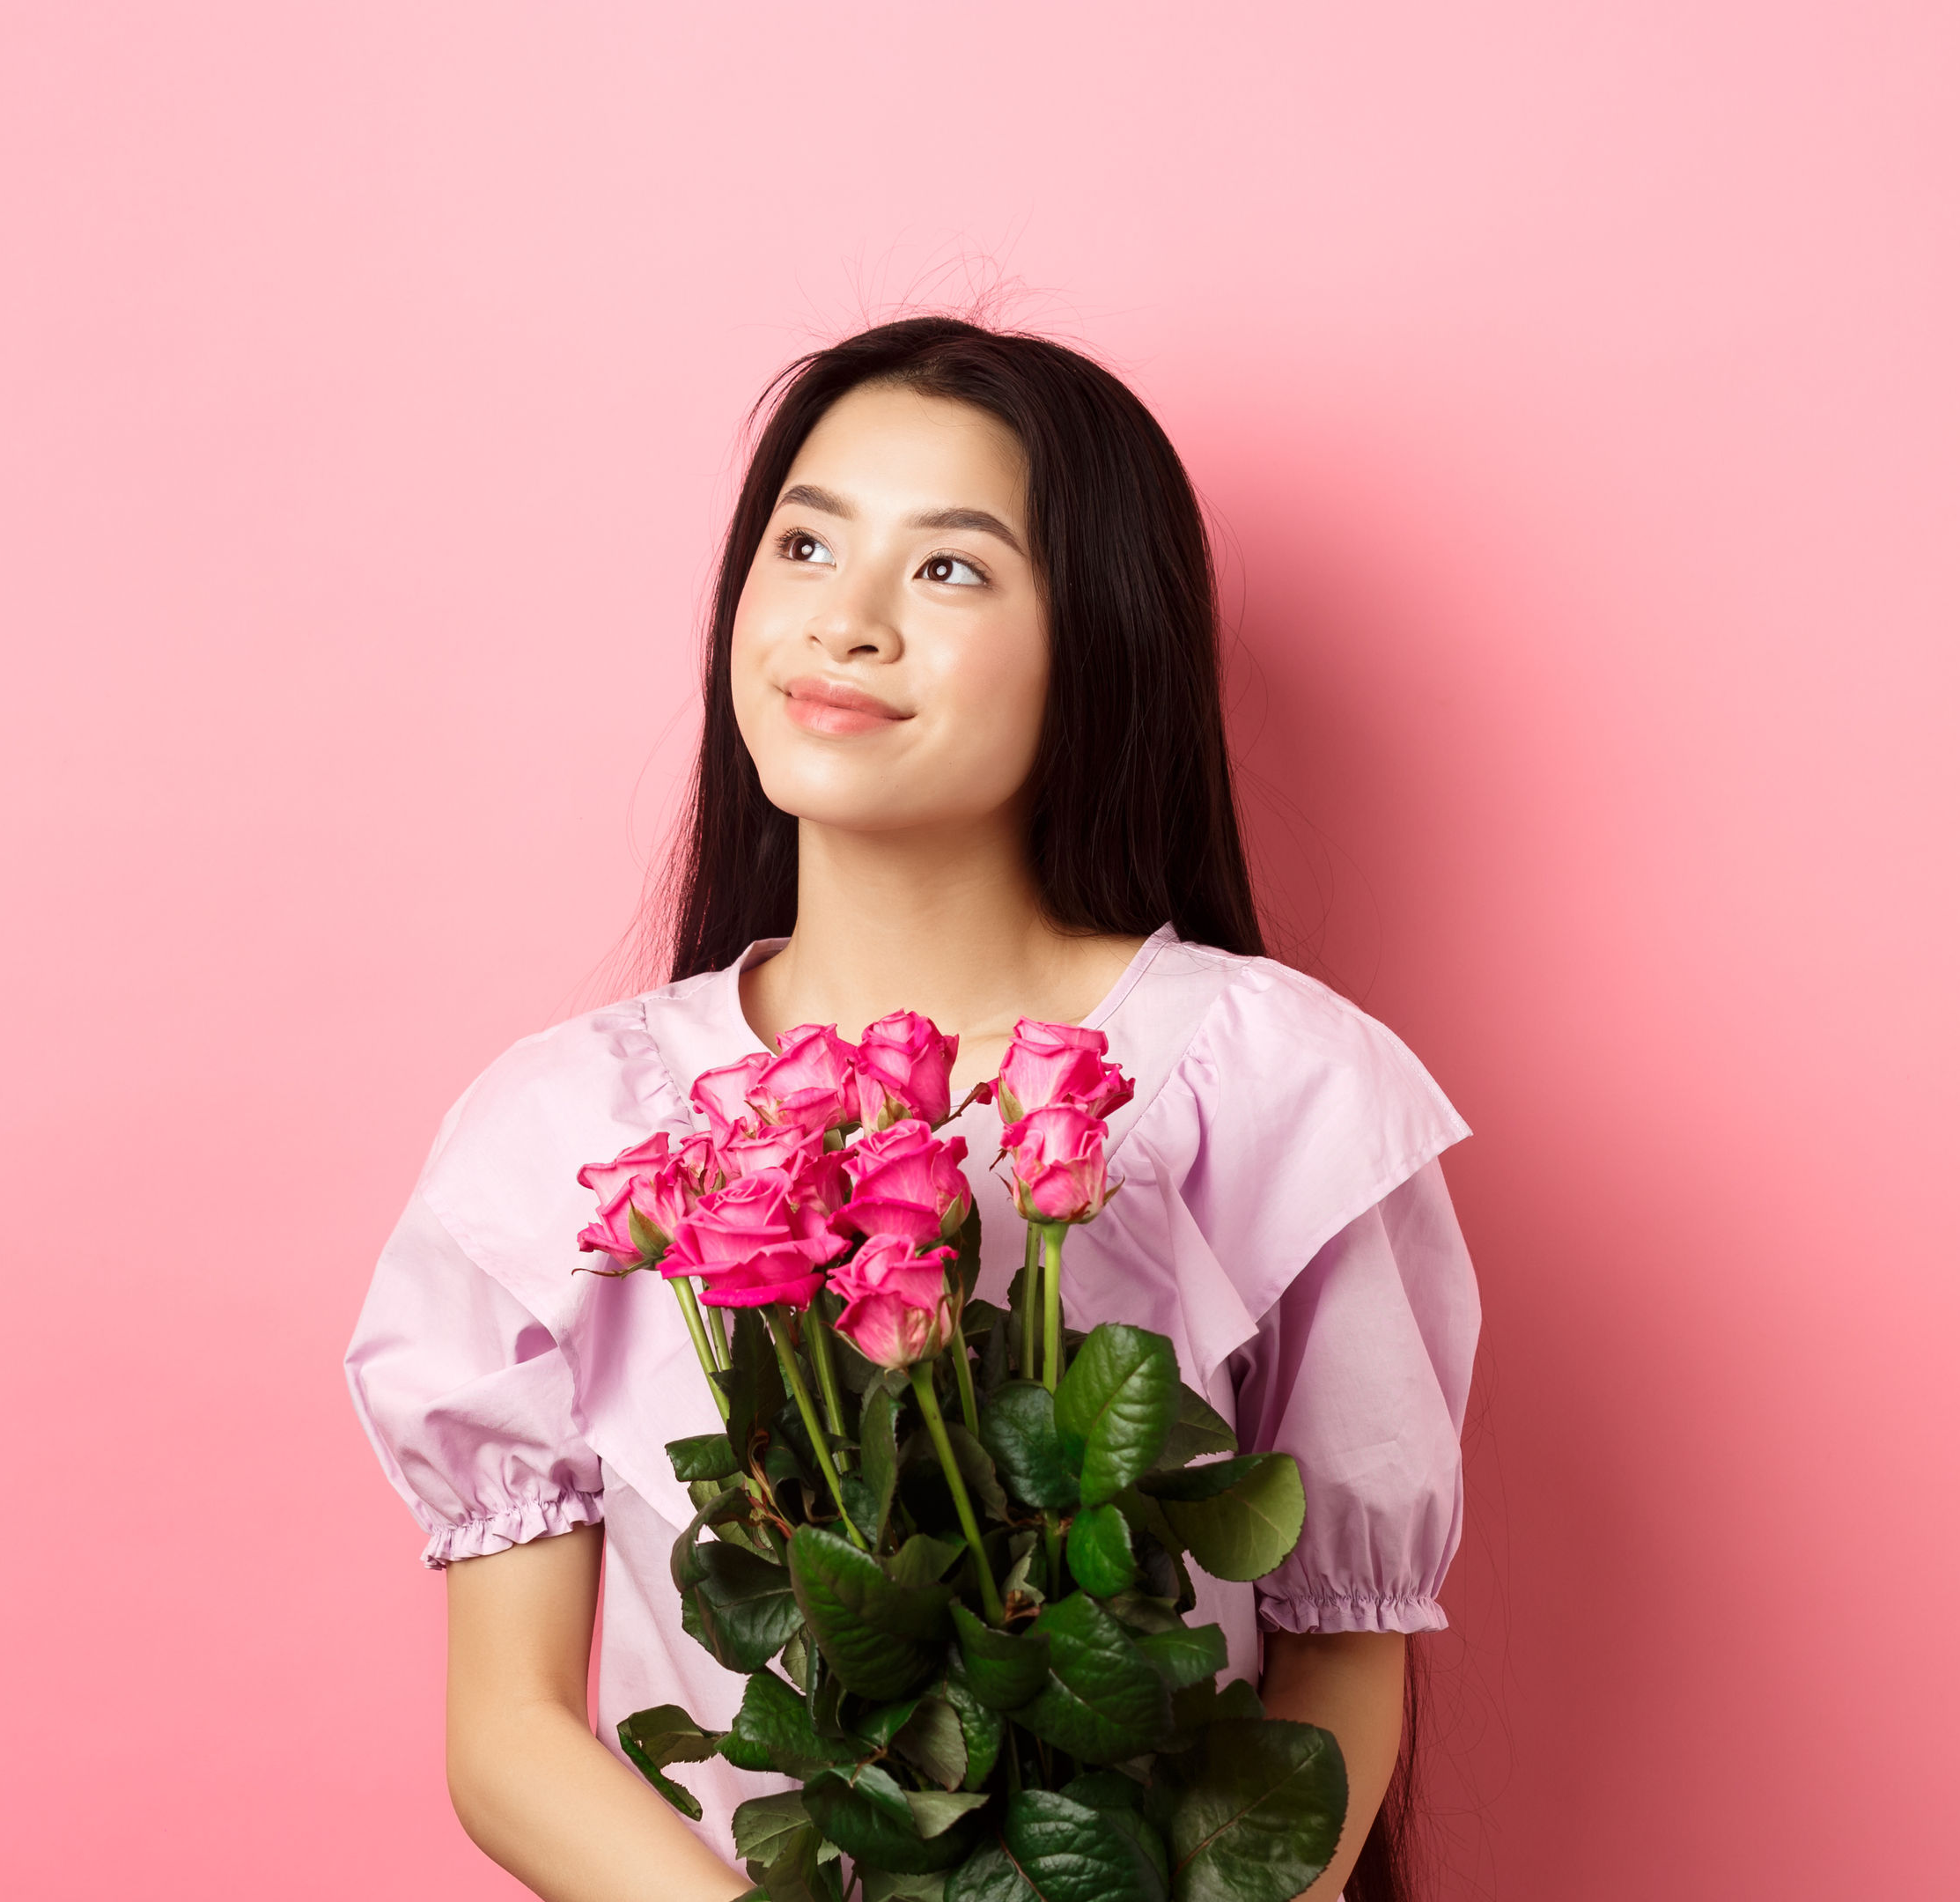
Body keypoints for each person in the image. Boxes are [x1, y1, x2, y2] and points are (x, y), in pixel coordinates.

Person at [344, 316, 1479, 1902]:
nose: (847, 622)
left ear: (1099, 643)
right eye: (806, 544)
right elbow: (512, 1731)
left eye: (949, 569)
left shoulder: (1271, 1091)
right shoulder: (562, 1132)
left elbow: (1342, 1667)